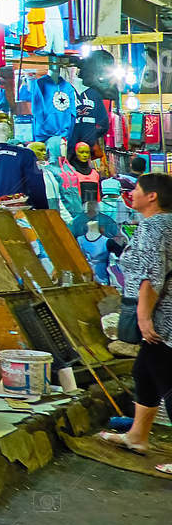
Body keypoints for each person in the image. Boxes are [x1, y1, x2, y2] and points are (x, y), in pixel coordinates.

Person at [100, 173, 172, 466]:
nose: (132, 194)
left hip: (162, 316)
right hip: (162, 311)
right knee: (144, 372)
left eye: (137, 189)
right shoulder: (167, 224)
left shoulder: (154, 227)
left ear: (152, 196)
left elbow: (152, 276)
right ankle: (137, 436)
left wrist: (144, 318)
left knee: (167, 380)